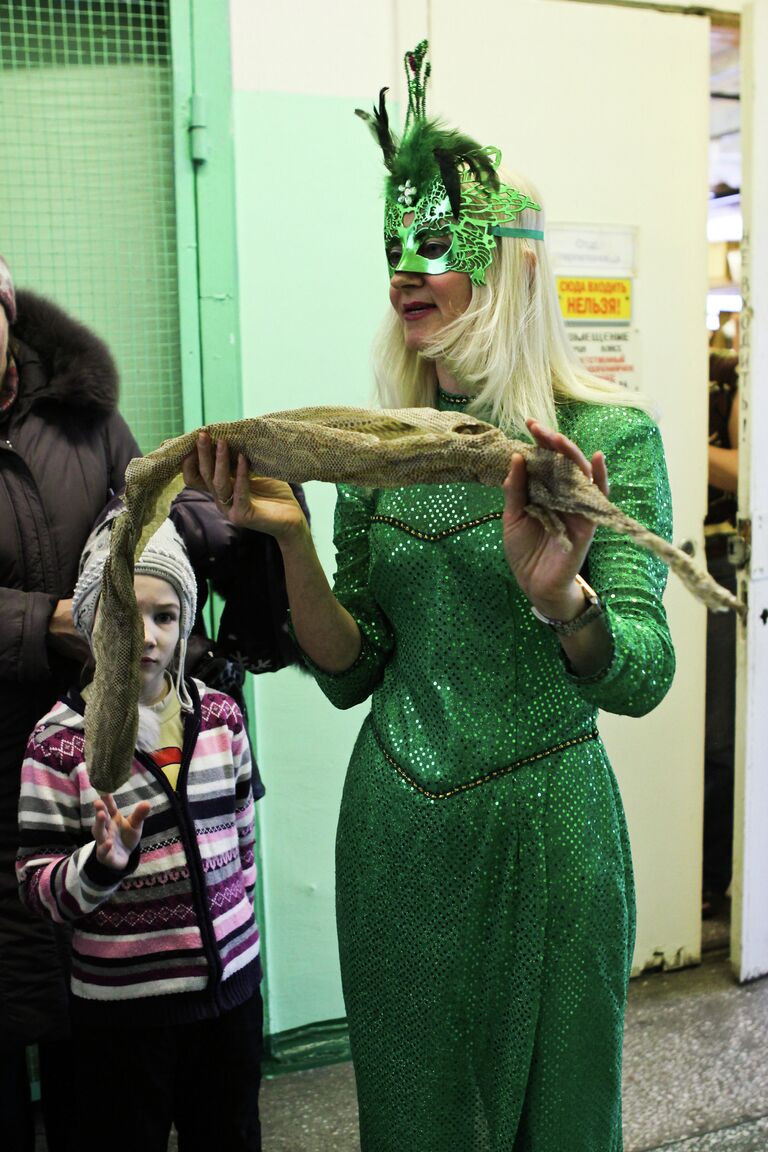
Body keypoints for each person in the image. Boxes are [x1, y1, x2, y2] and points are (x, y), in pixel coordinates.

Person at [184, 42, 675, 1151]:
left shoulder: (604, 442)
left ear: (504, 264)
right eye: (392, 248)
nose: (406, 271)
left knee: (562, 1119)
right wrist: (296, 544)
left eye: (435, 246)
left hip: (551, 846)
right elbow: (354, 670)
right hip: (397, 843)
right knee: (413, 1125)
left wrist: (566, 599)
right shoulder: (378, 451)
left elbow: (641, 672)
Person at [16, 515, 263, 1152]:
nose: (146, 637)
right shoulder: (58, 742)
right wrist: (100, 865)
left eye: (165, 616)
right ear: (94, 620)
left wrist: (243, 949)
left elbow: (241, 844)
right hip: (123, 1017)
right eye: (125, 615)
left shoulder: (220, 718)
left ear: (185, 623)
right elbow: (37, 887)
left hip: (228, 998)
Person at [0, 255, 141, 1152]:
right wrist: (39, 620)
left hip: (82, 775)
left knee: (101, 1045)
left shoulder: (87, 420)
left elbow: (146, 525)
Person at [703, 348, 739, 915]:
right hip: (655, 541)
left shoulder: (730, 372)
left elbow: (746, 470)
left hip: (719, 555)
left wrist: (686, 441)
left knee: (718, 736)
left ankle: (710, 883)